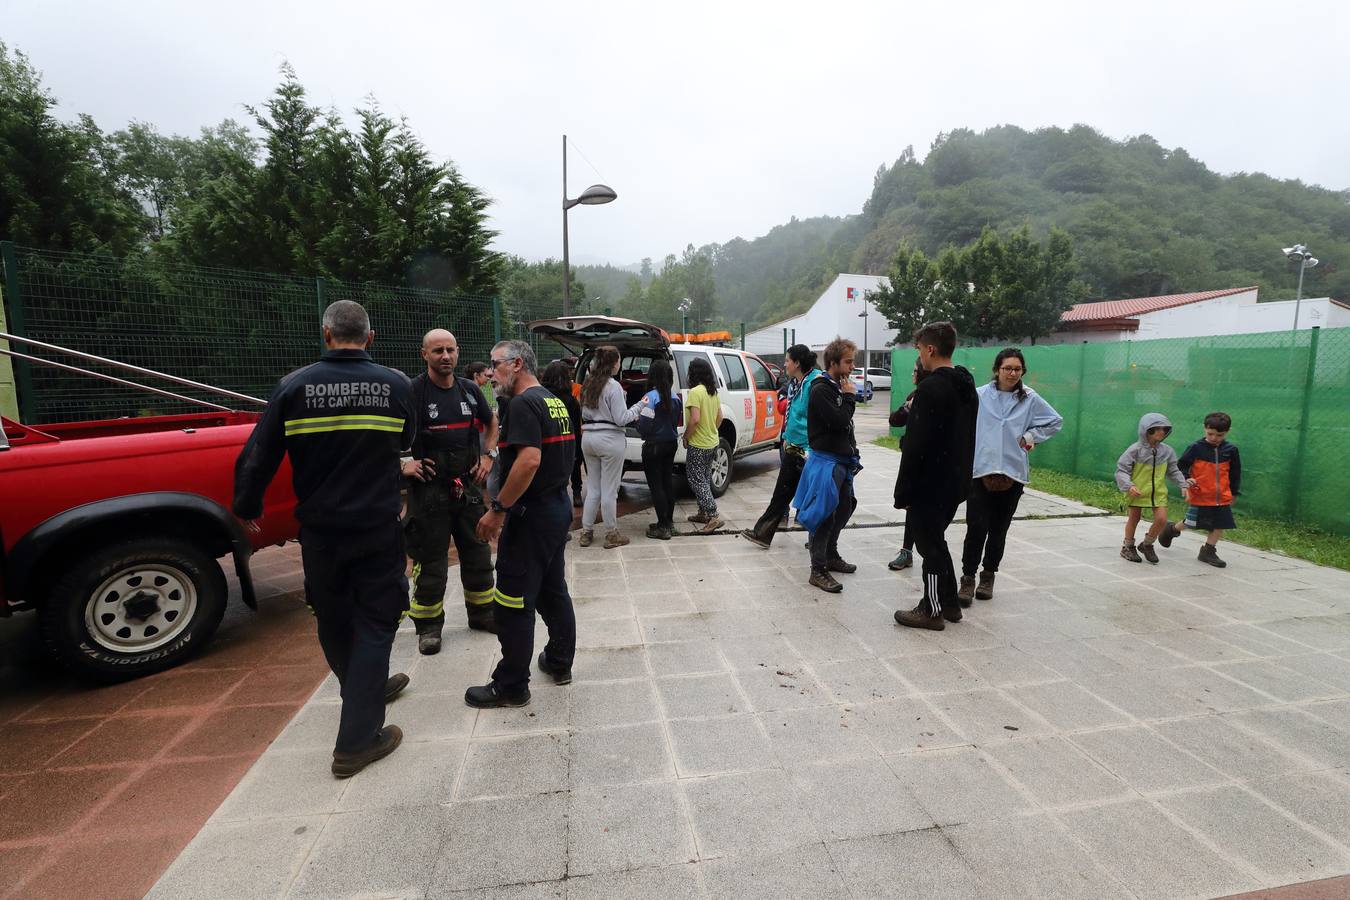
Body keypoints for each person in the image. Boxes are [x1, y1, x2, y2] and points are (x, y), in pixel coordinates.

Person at [233, 300, 415, 777]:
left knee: (333, 618)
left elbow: (257, 457)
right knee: (377, 623)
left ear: (326, 334)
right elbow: (407, 441)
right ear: (370, 338)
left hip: (320, 533)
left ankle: (361, 686)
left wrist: (247, 508)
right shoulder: (396, 385)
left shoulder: (293, 387)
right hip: (376, 527)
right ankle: (357, 740)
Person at [465, 340, 577, 708]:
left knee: (512, 600)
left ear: (515, 364)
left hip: (532, 514)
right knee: (551, 588)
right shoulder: (553, 400)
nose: (490, 374)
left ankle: (511, 685)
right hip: (555, 507)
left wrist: (498, 508)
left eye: (495, 365)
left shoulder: (523, 404)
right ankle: (559, 663)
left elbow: (528, 461)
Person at [402, 330, 499, 652]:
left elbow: (492, 421)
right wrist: (403, 463)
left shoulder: (470, 390)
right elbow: (386, 433)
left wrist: (488, 454)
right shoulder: (412, 393)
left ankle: (483, 613)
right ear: (424, 354)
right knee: (431, 562)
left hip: (466, 489)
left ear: (458, 353)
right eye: (438, 351)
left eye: (450, 350)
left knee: (478, 553)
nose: (445, 356)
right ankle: (429, 627)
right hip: (428, 493)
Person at [958, 348, 1064, 604]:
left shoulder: (1029, 398)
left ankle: (988, 575)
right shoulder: (980, 395)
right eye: (1007, 368)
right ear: (997, 370)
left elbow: (1054, 421)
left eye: (1017, 369)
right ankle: (968, 578)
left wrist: (1030, 437)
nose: (1013, 373)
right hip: (981, 470)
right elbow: (961, 419)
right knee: (976, 526)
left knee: (998, 529)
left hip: (1012, 473)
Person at [892, 322, 979, 630]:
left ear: (929, 349)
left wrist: (903, 492)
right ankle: (951, 604)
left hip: (930, 484)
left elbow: (916, 446)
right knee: (936, 541)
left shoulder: (930, 389)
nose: (920, 355)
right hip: (955, 481)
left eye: (919, 349)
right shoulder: (967, 386)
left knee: (928, 546)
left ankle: (931, 608)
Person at [793, 338, 860, 593]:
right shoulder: (822, 389)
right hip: (825, 463)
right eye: (848, 361)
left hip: (840, 461)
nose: (853, 366)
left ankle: (830, 554)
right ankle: (817, 570)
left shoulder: (835, 387)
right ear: (833, 363)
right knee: (824, 515)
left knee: (844, 507)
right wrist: (850, 397)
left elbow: (845, 424)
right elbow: (839, 420)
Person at [742, 345, 823, 549]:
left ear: (797, 363)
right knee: (782, 493)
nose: (784, 364)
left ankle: (820, 541)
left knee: (814, 497)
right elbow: (792, 412)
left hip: (808, 450)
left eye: (787, 360)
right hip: (793, 446)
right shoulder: (797, 382)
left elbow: (815, 416)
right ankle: (762, 533)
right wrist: (786, 437)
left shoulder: (815, 383)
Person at [578, 345, 645, 549]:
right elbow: (621, 418)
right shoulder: (613, 386)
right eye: (618, 361)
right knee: (609, 490)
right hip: (609, 439)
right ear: (612, 363)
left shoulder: (588, 383)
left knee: (594, 489)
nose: (619, 364)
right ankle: (611, 534)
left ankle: (586, 532)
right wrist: (640, 405)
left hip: (588, 438)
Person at [1162, 411, 1240, 568]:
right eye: (1210, 433)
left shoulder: (1231, 450)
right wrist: (1185, 480)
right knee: (1192, 523)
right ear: (1205, 428)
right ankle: (1172, 529)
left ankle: (1208, 551)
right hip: (1201, 493)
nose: (1214, 438)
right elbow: (1180, 466)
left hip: (1222, 496)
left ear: (1227, 432)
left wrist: (1234, 492)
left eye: (1219, 435)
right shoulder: (1196, 448)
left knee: (1220, 523)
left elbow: (1235, 472)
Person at [1115, 412, 1189, 564]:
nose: (1161, 432)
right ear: (1146, 430)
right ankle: (1128, 546)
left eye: (1164, 429)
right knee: (1134, 518)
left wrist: (1183, 484)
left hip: (1158, 493)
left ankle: (1147, 544)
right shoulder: (1134, 450)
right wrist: (1129, 486)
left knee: (1161, 519)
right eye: (1156, 428)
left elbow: (1173, 470)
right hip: (1137, 492)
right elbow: (1121, 470)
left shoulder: (1167, 451)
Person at [887, 359, 929, 571]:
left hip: (932, 464)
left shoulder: (936, 395)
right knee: (911, 506)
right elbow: (894, 420)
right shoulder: (915, 396)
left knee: (926, 511)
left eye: (915, 370)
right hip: (912, 461)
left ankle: (929, 553)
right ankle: (907, 551)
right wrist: (907, 407)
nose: (913, 374)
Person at [636, 357, 680, 540]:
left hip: (653, 446)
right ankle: (669, 522)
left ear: (652, 376)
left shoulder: (649, 398)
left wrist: (637, 425)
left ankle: (662, 527)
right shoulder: (675, 396)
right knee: (667, 482)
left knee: (656, 486)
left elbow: (644, 425)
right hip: (671, 444)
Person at [682, 356, 725, 533]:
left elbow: (695, 419)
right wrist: (710, 430)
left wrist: (686, 436)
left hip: (698, 444)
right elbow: (720, 417)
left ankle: (713, 515)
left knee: (695, 479)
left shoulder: (695, 392)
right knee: (705, 477)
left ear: (693, 373)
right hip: (712, 441)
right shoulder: (712, 391)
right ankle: (703, 512)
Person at [541, 360, 584, 508]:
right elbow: (576, 427)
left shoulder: (541, 397)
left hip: (547, 444)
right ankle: (576, 493)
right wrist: (577, 449)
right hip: (567, 442)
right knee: (574, 468)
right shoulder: (571, 400)